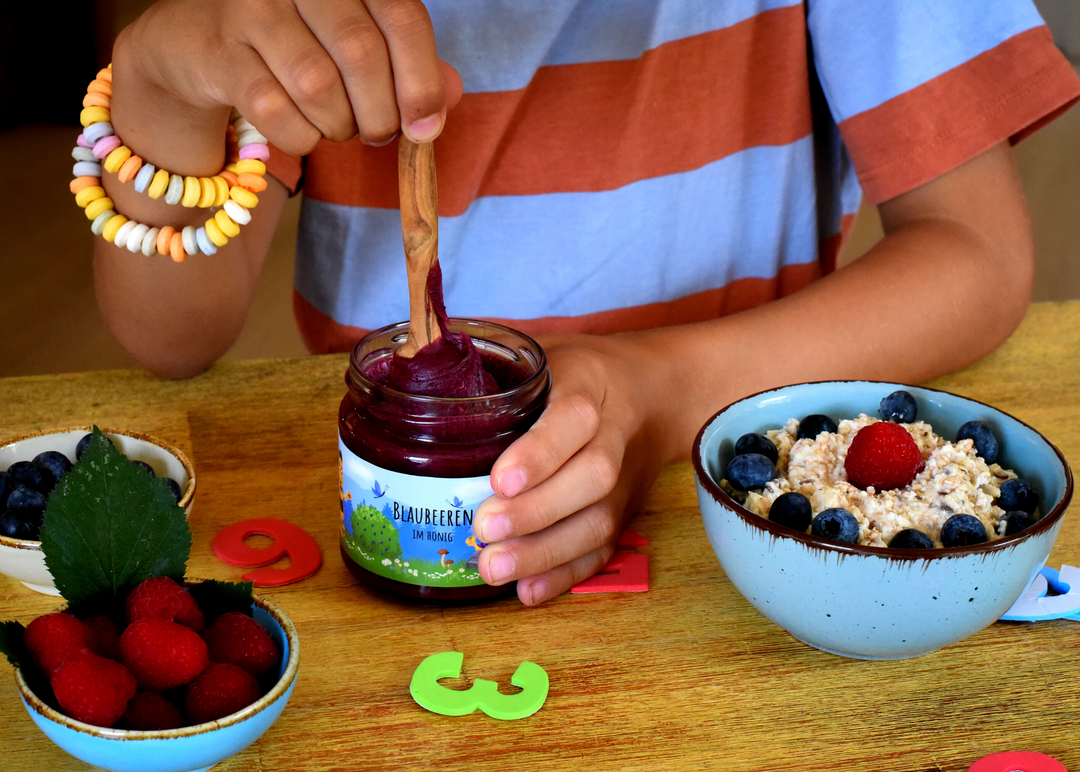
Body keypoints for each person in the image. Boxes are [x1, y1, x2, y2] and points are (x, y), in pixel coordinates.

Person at [89, 0, 1080, 606]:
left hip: (755, 535)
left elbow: (979, 255)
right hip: (367, 560)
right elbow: (169, 332)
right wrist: (163, 82)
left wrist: (661, 389)